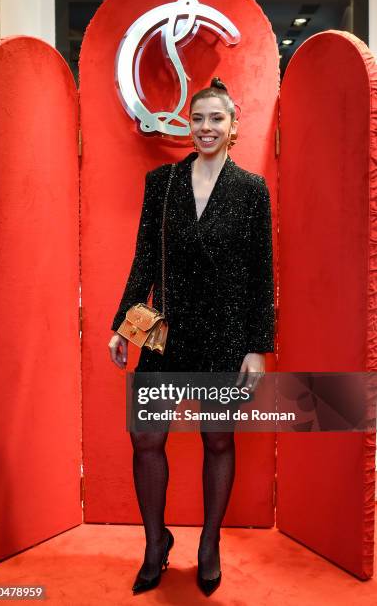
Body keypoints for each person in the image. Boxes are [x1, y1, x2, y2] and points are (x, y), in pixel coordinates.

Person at [108, 77, 275, 596]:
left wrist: (257, 347)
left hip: (226, 335)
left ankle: (208, 543)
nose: (205, 127)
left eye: (215, 119)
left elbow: (260, 272)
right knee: (147, 439)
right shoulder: (161, 184)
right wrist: (122, 325)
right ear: (188, 125)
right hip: (168, 335)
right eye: (197, 118)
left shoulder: (251, 190)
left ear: (232, 126)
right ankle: (156, 543)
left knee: (218, 440)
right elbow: (144, 262)